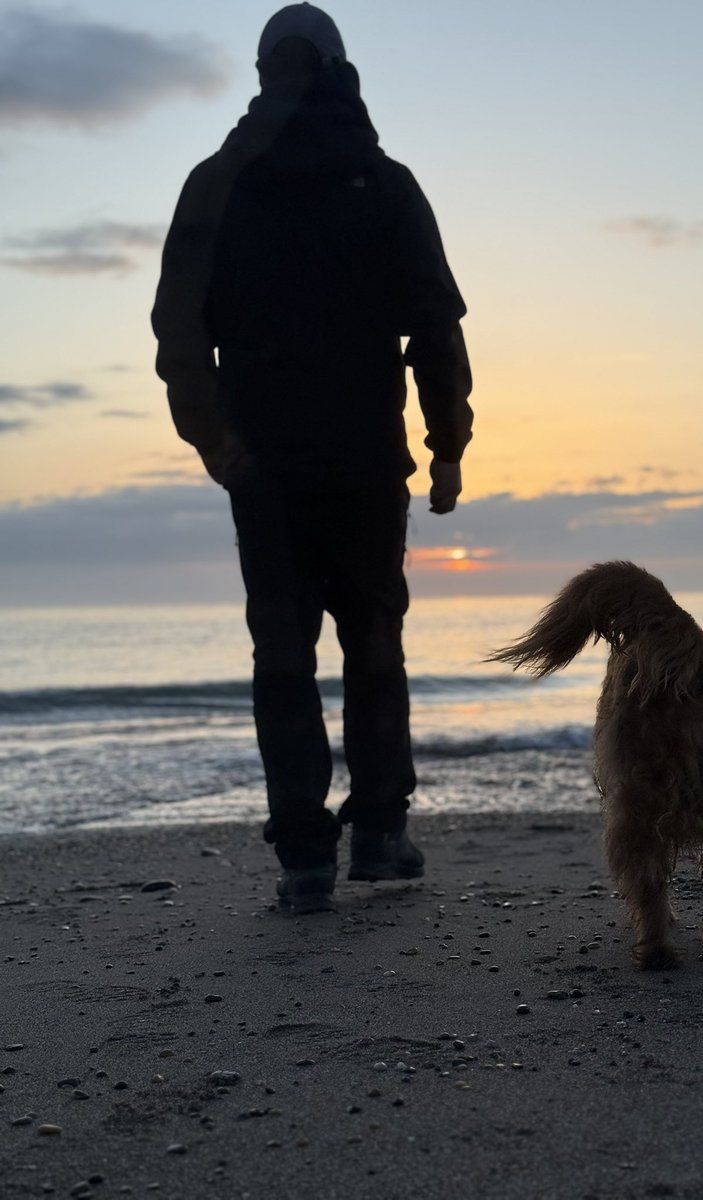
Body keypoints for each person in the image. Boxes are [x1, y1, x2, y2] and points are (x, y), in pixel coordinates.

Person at [152, 4, 473, 912]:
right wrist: (446, 448)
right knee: (374, 640)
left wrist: (216, 440)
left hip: (267, 465)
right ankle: (377, 832)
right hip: (366, 461)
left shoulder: (216, 182)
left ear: (264, 73)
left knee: (282, 650)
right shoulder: (383, 179)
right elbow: (436, 328)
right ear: (340, 70)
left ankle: (304, 857)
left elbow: (179, 330)